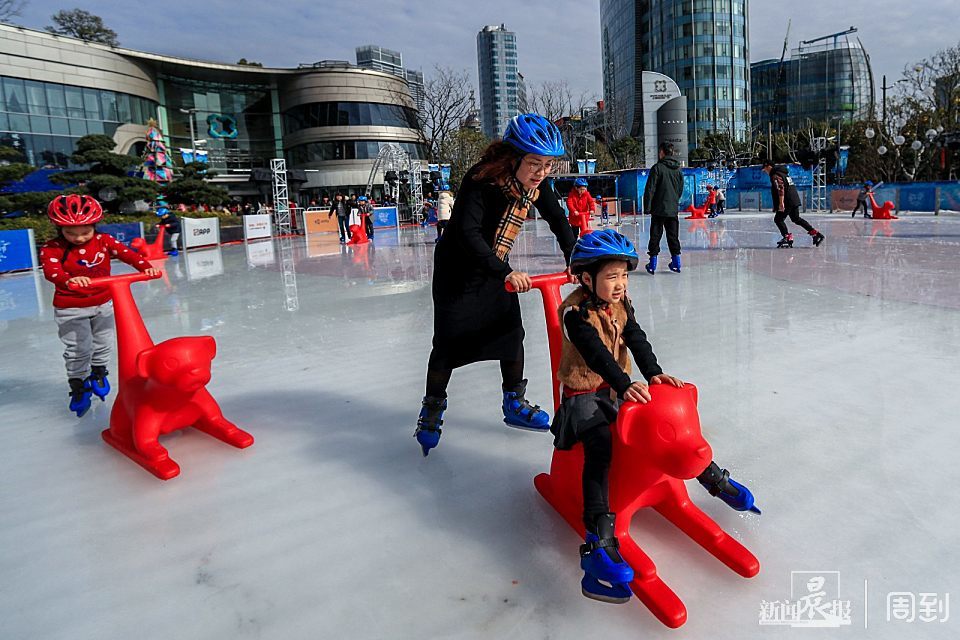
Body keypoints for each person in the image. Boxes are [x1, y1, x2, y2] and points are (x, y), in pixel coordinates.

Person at [553, 229, 760, 603]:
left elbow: (637, 339)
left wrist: (653, 374)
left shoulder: (621, 305)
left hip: (619, 390)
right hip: (584, 397)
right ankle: (599, 540)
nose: (620, 284)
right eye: (611, 277)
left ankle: (711, 476)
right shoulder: (575, 313)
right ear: (586, 279)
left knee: (670, 424)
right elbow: (596, 353)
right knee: (601, 448)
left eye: (624, 275)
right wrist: (624, 381)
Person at [415, 113, 578, 457]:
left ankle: (514, 402)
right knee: (448, 344)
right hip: (459, 271)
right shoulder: (481, 181)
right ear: (512, 157)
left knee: (510, 332)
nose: (541, 172)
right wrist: (503, 271)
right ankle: (433, 406)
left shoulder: (536, 186)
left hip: (495, 268)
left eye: (548, 165)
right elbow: (467, 234)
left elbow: (559, 220)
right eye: (535, 163)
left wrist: (573, 257)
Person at [39, 195, 161, 417]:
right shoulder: (52, 247)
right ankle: (78, 383)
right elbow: (51, 270)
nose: (79, 238)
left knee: (104, 341)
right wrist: (67, 280)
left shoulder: (103, 241)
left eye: (85, 232)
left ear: (94, 226)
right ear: (60, 229)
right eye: (71, 233)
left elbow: (127, 254)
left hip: (103, 301)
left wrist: (146, 267)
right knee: (78, 348)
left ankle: (98, 371)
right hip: (71, 307)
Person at [762, 160, 825, 248]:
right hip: (794, 199)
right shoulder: (783, 173)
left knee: (778, 219)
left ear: (769, 166)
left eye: (765, 169)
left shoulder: (775, 175)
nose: (765, 171)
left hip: (787, 201)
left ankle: (787, 237)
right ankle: (815, 233)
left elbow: (780, 188)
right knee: (796, 219)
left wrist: (781, 203)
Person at [643, 142, 685, 274]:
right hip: (672, 209)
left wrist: (647, 207)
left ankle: (653, 263)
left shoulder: (657, 168)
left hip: (658, 209)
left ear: (662, 152)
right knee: (673, 236)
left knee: (655, 235)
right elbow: (680, 189)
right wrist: (673, 201)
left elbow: (650, 189)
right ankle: (677, 263)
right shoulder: (678, 170)